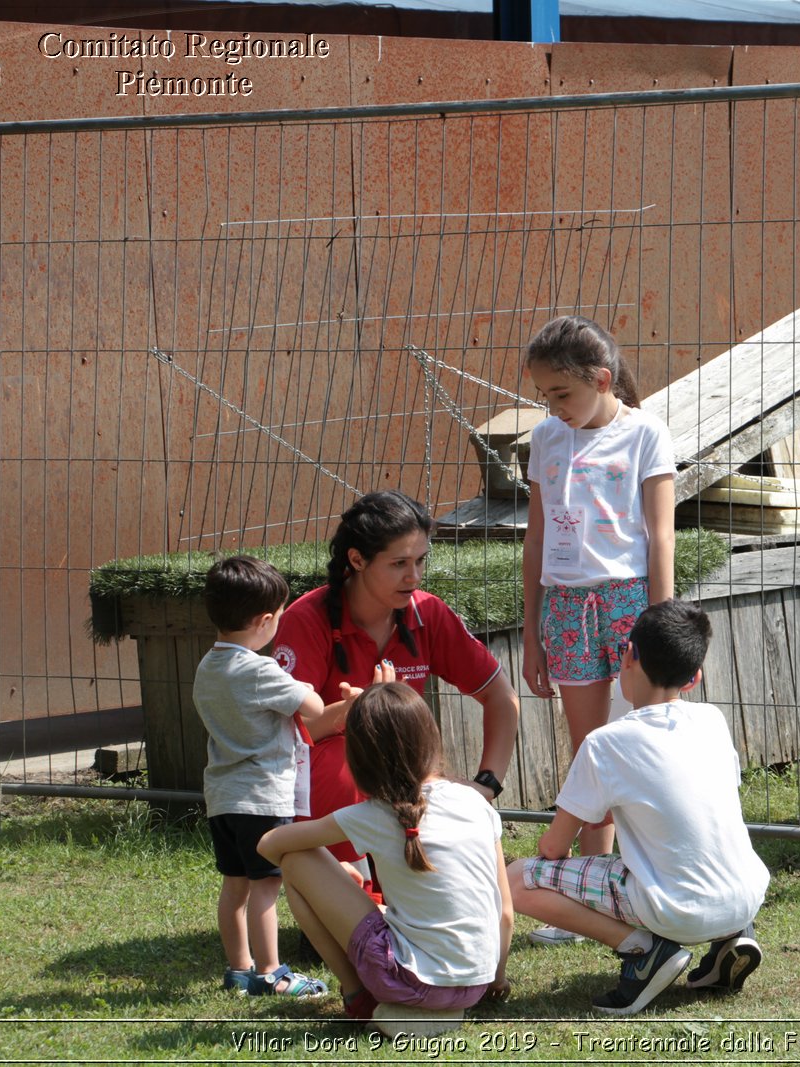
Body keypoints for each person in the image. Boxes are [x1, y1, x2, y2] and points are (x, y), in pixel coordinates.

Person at [508, 599, 768, 1015]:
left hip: (674, 909)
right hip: (745, 896)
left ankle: (645, 951)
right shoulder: (712, 720)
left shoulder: (606, 743)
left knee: (518, 879)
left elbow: (555, 848)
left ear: (627, 654)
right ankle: (729, 939)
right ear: (694, 677)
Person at [273, 490, 520, 898]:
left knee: (438, 789)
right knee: (343, 766)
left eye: (420, 560)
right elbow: (283, 735)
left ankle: (423, 894)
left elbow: (502, 697)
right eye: (399, 563)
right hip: (326, 774)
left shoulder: (429, 613)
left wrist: (485, 785)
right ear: (356, 560)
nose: (415, 576)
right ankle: (355, 900)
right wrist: (354, 712)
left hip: (405, 773)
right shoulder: (307, 619)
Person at [520, 316, 676, 943]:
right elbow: (534, 538)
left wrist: (659, 627)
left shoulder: (646, 434)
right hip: (565, 606)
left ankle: (656, 876)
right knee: (591, 753)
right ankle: (586, 891)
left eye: (562, 394)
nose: (554, 408)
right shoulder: (546, 439)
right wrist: (532, 632)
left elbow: (660, 534)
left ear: (602, 379)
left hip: (631, 602)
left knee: (645, 744)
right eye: (545, 397)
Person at [258, 682, 514, 1037]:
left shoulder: (373, 813)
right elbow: (505, 914)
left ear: (358, 757)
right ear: (431, 738)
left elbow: (270, 845)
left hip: (409, 980)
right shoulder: (475, 802)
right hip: (475, 983)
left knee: (295, 861)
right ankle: (438, 1007)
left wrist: (334, 872)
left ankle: (358, 996)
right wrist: (495, 981)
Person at [192, 555, 330, 998]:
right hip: (262, 799)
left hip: (222, 797)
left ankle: (238, 969)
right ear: (266, 620)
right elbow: (315, 710)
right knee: (267, 887)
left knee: (234, 886)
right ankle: (272, 973)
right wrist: (306, 689)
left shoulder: (207, 668)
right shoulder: (260, 669)